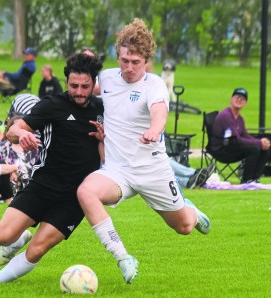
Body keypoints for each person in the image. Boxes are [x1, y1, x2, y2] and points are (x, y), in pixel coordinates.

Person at [77, 18, 211, 284]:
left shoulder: (154, 85)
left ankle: (192, 212)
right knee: (86, 191)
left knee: (183, 227)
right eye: (124, 60)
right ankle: (123, 256)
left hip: (152, 170)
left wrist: (155, 129)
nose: (128, 68)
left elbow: (159, 111)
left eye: (135, 62)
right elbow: (79, 94)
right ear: (119, 55)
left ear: (147, 60)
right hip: (117, 171)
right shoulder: (106, 78)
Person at [0, 53, 104, 285]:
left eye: (85, 86)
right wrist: (23, 133)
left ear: (93, 84)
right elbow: (12, 130)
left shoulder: (103, 109)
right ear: (66, 82)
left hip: (76, 197)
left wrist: (103, 139)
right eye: (73, 85)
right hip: (44, 185)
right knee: (1, 237)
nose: (79, 91)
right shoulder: (52, 104)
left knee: (37, 250)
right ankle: (18, 240)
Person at [210, 88, 271, 184]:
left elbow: (245, 136)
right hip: (222, 150)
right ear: (231, 99)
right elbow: (237, 139)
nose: (239, 100)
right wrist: (259, 143)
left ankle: (255, 178)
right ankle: (247, 179)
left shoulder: (239, 119)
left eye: (242, 99)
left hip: (232, 147)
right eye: (237, 97)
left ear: (245, 103)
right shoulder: (226, 115)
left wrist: (263, 143)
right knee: (254, 149)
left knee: (264, 148)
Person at [0, 115, 39, 193]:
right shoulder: (2, 147)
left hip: (31, 185)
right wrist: (11, 171)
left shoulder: (34, 147)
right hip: (8, 183)